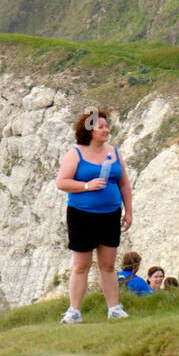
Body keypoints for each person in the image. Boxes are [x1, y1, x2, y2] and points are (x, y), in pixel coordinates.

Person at [56, 106, 133, 322]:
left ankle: (114, 308)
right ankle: (74, 311)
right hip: (82, 214)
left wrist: (128, 211)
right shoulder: (76, 153)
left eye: (106, 126)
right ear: (89, 131)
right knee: (81, 265)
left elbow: (124, 184)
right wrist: (87, 186)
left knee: (107, 265)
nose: (106, 129)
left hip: (110, 214)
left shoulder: (115, 153)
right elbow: (62, 182)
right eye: (100, 127)